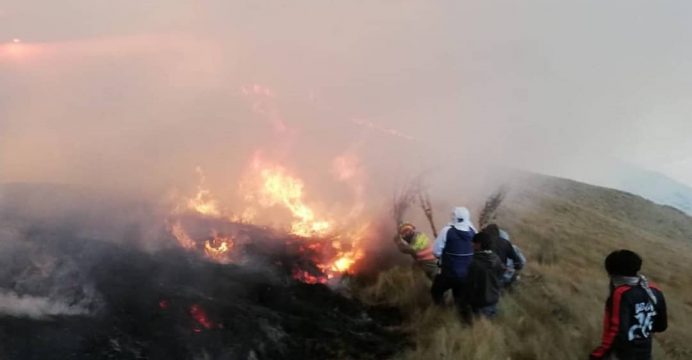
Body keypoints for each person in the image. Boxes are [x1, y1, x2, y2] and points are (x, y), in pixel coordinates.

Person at [590, 250, 667, 360]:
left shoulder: (621, 294)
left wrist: (598, 354)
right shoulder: (654, 290)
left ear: (611, 271)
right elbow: (661, 326)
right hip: (645, 355)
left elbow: (617, 331)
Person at [431, 207, 477, 319]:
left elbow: (436, 252)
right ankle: (463, 322)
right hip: (466, 275)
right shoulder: (473, 231)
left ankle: (442, 314)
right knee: (460, 298)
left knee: (436, 291)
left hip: (449, 273)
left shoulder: (447, 231)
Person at [467, 232, 504, 318]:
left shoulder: (475, 263)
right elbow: (500, 277)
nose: (472, 245)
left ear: (479, 245)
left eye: (474, 243)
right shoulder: (497, 259)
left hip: (479, 302)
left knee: (478, 328)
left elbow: (470, 284)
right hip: (494, 299)